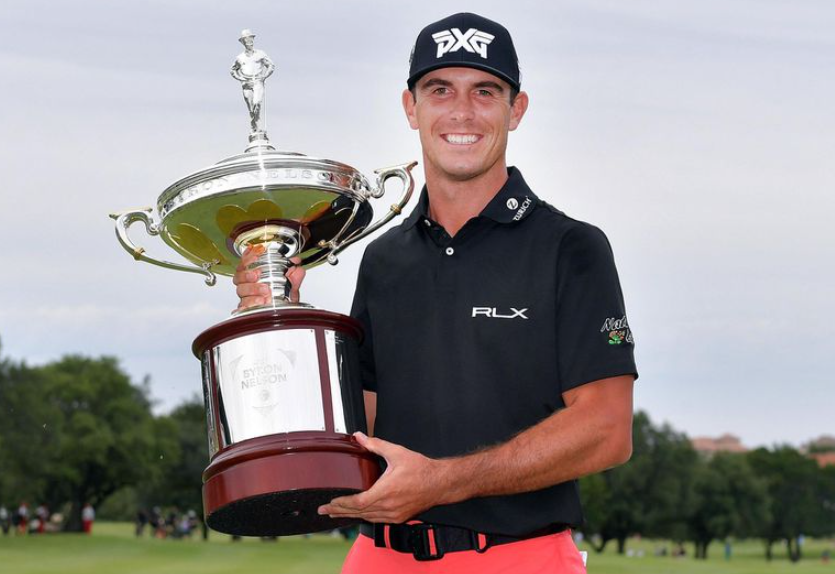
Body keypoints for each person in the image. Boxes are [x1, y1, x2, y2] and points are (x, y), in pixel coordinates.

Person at [235, 13, 636, 573]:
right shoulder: (384, 259)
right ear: (410, 107)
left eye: (485, 91)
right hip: (378, 557)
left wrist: (442, 483)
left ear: (516, 110)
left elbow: (606, 431)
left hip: (518, 559)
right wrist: (286, 320)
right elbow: (362, 427)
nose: (462, 112)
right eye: (440, 90)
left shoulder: (571, 247)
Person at [230, 29, 275, 135]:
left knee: (257, 102)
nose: (249, 41)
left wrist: (264, 76)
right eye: (246, 39)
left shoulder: (260, 53)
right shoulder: (240, 57)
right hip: (246, 83)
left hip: (257, 81)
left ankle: (257, 125)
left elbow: (271, 65)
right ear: (243, 42)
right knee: (251, 107)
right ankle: (254, 126)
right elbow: (233, 70)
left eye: (250, 38)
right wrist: (241, 78)